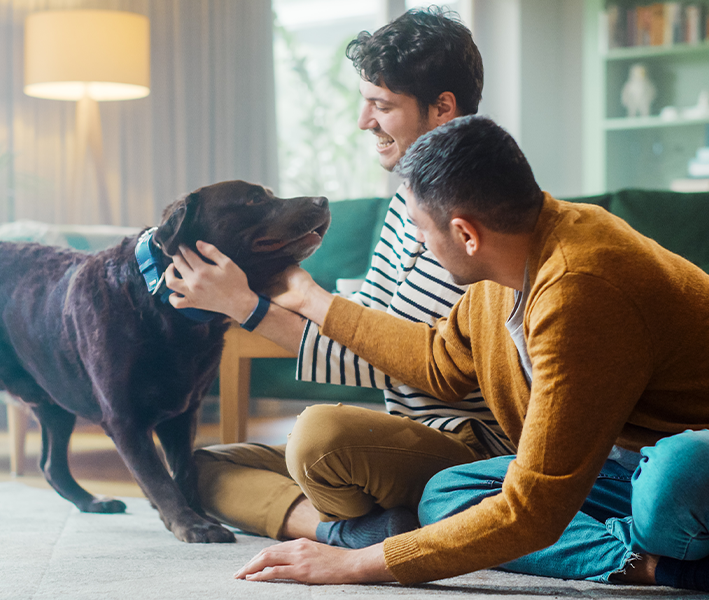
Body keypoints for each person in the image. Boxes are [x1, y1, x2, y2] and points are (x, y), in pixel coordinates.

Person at [166, 115, 709, 600]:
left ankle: (668, 542)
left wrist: (361, 564)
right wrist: (308, 298)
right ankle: (669, 568)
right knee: (446, 497)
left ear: (465, 233)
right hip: (627, 466)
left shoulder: (582, 284)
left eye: (420, 229)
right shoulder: (505, 266)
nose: (419, 242)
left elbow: (535, 506)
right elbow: (438, 361)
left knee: (676, 480)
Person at [187, 7, 514, 550]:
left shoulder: (474, 223)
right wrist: (264, 295)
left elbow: (397, 363)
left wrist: (250, 306)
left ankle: (410, 514)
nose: (364, 122)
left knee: (321, 436)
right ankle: (353, 531)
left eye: (381, 105)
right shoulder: (405, 202)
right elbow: (369, 325)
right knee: (199, 468)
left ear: (442, 109)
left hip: (469, 449)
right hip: (401, 436)